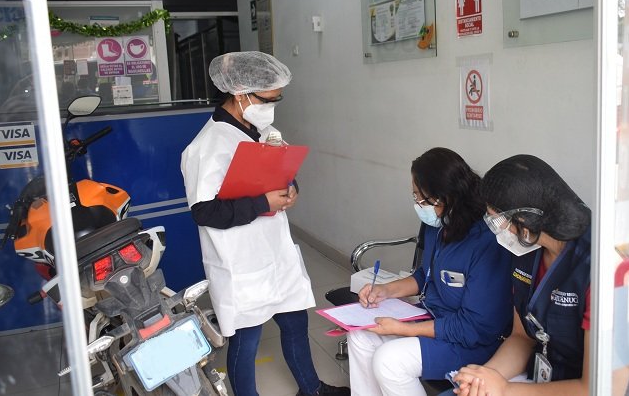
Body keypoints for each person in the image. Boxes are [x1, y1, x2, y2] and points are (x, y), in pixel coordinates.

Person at [181, 51, 349, 396]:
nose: (272, 107)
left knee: (296, 322)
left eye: (277, 99)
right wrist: (263, 203)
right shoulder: (208, 146)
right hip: (240, 262)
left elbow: (282, 173)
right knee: (247, 338)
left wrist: (290, 190)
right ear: (240, 93)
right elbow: (204, 211)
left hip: (275, 253)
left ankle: (311, 389)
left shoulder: (263, 130)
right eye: (267, 99)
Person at [347, 147, 513, 396]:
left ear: (450, 196)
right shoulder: (437, 225)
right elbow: (426, 276)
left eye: (424, 200)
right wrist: (385, 291)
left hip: (472, 342)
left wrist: (403, 329)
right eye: (415, 197)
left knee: (389, 361)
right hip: (433, 319)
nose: (419, 206)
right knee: (360, 337)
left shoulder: (486, 242)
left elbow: (476, 327)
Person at [453, 154, 592, 396]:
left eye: (497, 221)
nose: (498, 231)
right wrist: (484, 379)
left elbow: (595, 387)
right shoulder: (525, 249)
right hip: (541, 377)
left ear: (524, 221)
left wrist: (505, 389)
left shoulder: (598, 268)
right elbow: (522, 337)